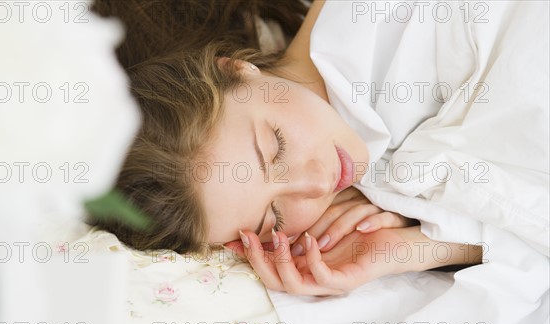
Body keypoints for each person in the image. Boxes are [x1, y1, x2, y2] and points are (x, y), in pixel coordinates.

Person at [92, 0, 483, 296]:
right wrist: (425, 247)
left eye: (277, 148)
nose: (316, 184)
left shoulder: (377, 21)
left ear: (235, 68)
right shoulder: (382, 197)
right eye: (274, 219)